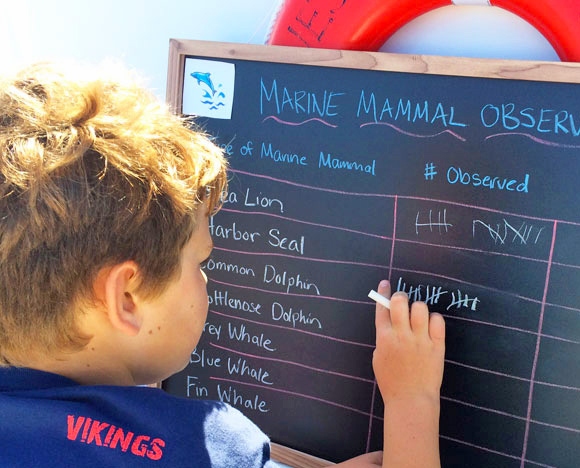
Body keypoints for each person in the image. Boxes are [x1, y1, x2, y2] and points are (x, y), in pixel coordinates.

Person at [0, 62, 446, 467]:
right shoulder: (204, 449)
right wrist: (413, 400)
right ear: (127, 299)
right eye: (200, 261)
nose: (207, 277)